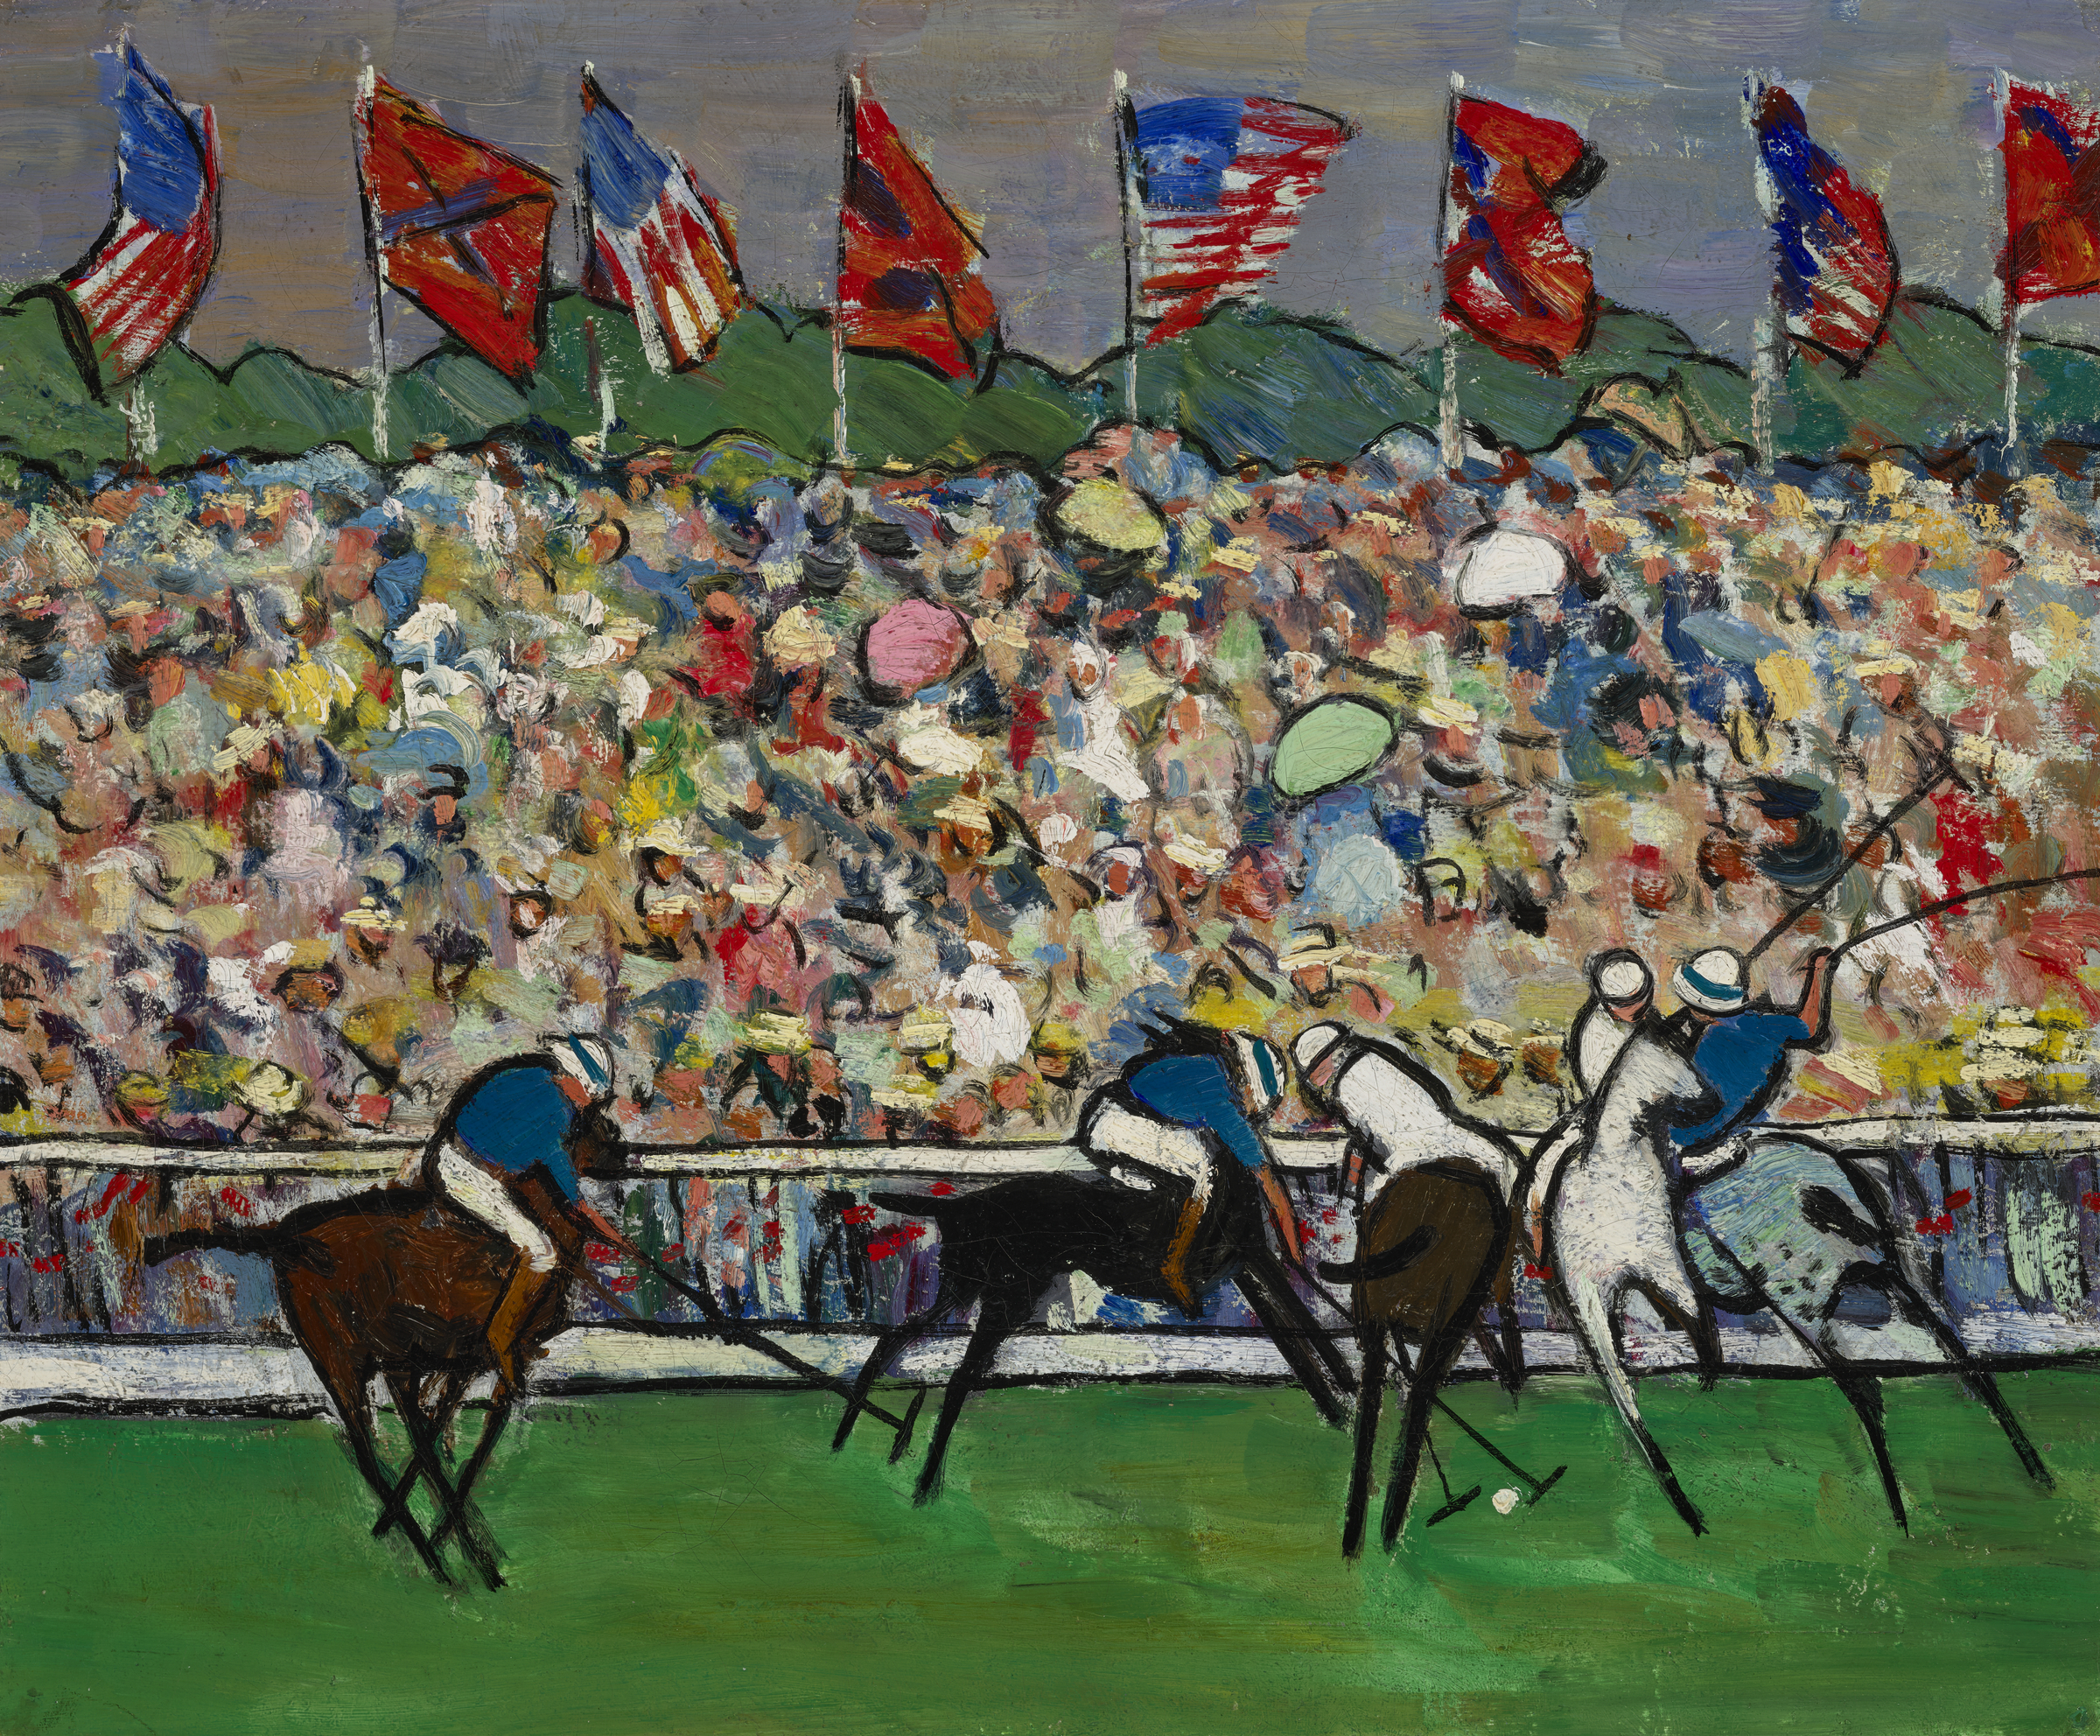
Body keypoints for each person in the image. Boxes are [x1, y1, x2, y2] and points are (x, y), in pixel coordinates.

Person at [416, 1033, 634, 1388]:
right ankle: (501, 1337)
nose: (588, 1104)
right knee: (543, 1252)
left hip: (455, 1154)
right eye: (590, 1096)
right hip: (465, 1174)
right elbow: (574, 1205)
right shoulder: (557, 1114)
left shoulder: (532, 1074)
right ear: (575, 1081)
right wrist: (619, 1241)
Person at [1077, 1026, 1293, 1310]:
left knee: (1206, 1151)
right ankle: (1175, 1266)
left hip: (1108, 1110)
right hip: (1113, 1122)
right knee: (1207, 1169)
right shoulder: (1221, 1096)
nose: (1250, 1116)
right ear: (1250, 1089)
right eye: (1254, 1110)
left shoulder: (1208, 1066)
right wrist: (1293, 1254)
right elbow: (1269, 1184)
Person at [1568, 948, 1656, 1098]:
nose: (1646, 1014)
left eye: (1647, 1004)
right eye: (1638, 1012)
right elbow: (1605, 1094)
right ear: (1611, 1008)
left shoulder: (1634, 1014)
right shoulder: (1596, 1039)